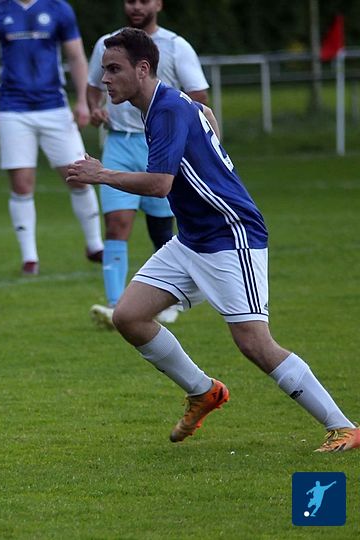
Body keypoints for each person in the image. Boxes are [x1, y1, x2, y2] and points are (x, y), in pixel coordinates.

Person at [65, 28, 360, 452]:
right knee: (128, 316)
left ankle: (343, 427)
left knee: (254, 342)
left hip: (230, 235)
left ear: (143, 69)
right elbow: (204, 114)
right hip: (193, 238)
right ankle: (203, 392)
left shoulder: (166, 109)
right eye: (103, 70)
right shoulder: (163, 104)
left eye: (113, 69)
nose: (105, 78)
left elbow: (160, 185)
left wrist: (102, 174)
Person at [87, 0, 209, 328]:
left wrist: (183, 130)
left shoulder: (176, 46)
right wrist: (94, 108)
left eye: (144, 0)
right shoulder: (107, 44)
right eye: (130, 0)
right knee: (117, 224)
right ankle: (115, 305)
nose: (136, 6)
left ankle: (171, 299)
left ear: (158, 3)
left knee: (161, 228)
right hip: (118, 142)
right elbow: (92, 88)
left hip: (158, 142)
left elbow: (200, 98)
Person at [0, 0, 103, 275]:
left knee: (79, 174)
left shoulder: (59, 8)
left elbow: (76, 56)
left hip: (55, 107)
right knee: (21, 183)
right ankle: (30, 258)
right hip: (12, 109)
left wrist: (83, 101)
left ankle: (95, 245)